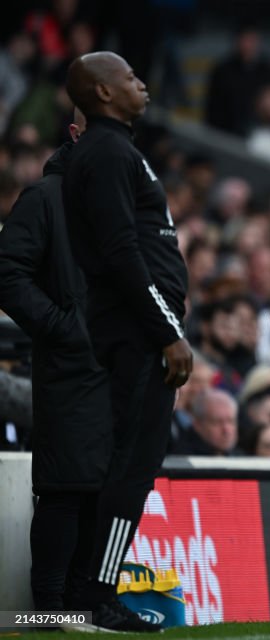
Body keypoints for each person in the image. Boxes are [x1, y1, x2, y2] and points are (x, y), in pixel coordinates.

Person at [62, 51, 193, 633]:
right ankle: (97, 596)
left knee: (117, 467)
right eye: (131, 77)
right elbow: (121, 253)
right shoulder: (111, 151)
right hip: (136, 335)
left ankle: (80, 594)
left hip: (130, 330)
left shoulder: (110, 150)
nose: (142, 83)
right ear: (103, 93)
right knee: (131, 471)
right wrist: (168, 332)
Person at [0, 109, 112, 613]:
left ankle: (81, 603)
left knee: (102, 493)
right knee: (67, 487)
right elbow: (7, 275)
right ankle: (48, 604)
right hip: (67, 368)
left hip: (117, 367)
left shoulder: (125, 199)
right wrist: (62, 327)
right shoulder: (44, 197)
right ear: (76, 133)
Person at [170, 388, 239, 456]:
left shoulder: (240, 456)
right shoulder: (180, 457)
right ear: (197, 424)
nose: (226, 430)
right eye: (217, 422)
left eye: (231, 421)